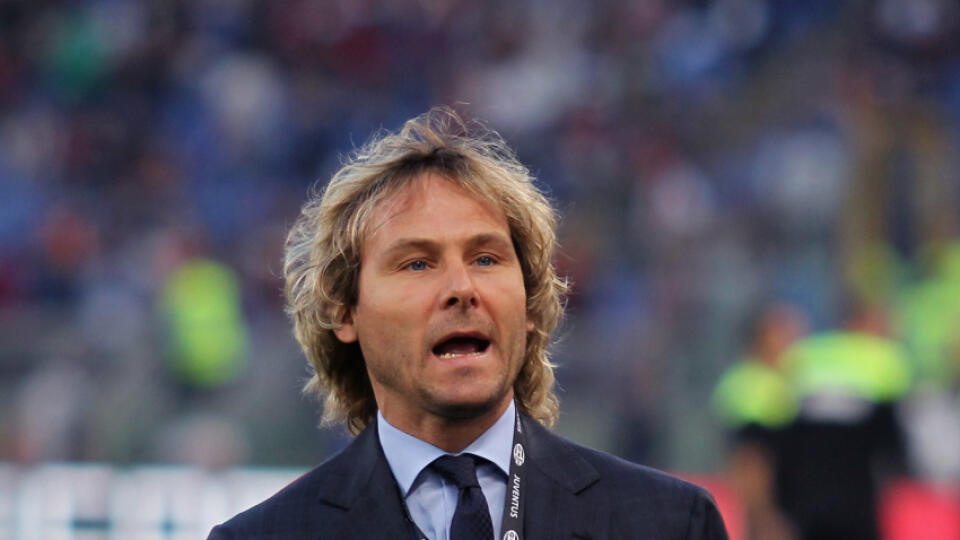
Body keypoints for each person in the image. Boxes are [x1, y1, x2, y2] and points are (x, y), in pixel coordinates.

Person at [207, 108, 729, 540]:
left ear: (527, 305)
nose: (462, 288)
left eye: (486, 259)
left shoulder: (669, 525)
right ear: (345, 311)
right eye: (417, 263)